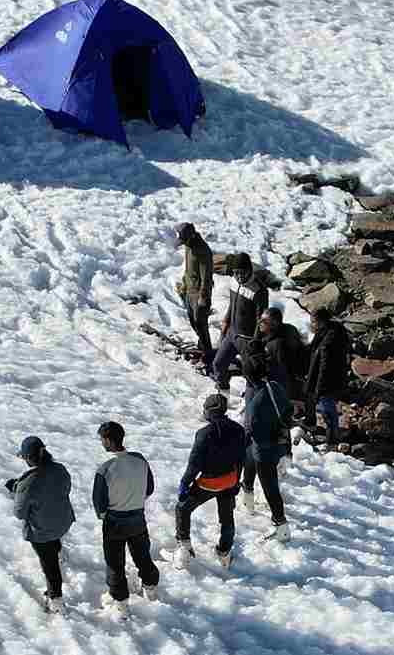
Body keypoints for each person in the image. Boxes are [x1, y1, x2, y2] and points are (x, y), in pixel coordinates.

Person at [173, 393, 247, 569]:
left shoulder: (204, 433)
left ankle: (184, 548)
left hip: (209, 483)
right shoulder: (238, 429)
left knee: (182, 508)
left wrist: (185, 484)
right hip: (230, 480)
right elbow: (241, 459)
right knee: (227, 519)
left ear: (209, 411)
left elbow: (194, 464)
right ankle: (224, 553)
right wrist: (236, 482)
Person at [92, 421, 159, 615]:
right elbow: (149, 489)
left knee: (115, 564)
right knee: (143, 556)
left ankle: (121, 603)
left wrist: (106, 515)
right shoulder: (140, 460)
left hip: (114, 522)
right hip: (138, 518)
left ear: (109, 441)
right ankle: (151, 590)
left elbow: (99, 503)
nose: (101, 443)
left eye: (102, 440)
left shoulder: (105, 469)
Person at [7, 436, 76, 613]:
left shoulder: (28, 482)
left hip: (41, 531)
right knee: (54, 544)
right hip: (62, 521)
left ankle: (56, 600)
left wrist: (19, 490)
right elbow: (63, 488)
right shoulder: (60, 469)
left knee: (49, 564)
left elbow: (19, 513)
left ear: (28, 458)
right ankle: (59, 551)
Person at [240, 355, 293, 540]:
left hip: (265, 451)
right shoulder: (274, 386)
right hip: (280, 442)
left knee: (270, 488)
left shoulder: (254, 403)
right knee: (250, 456)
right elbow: (288, 409)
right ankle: (247, 498)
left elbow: (250, 430)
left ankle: (281, 526)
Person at [210, 253, 269, 397]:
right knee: (218, 363)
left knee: (250, 374)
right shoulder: (233, 283)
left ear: (250, 270)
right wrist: (226, 320)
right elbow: (232, 304)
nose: (239, 276)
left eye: (242, 272)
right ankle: (223, 395)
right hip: (232, 334)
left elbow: (260, 320)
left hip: (247, 340)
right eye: (236, 273)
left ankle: (251, 401)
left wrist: (255, 341)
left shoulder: (258, 290)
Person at [301, 304, 352, 446]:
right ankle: (314, 427)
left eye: (313, 322)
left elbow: (325, 367)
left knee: (327, 410)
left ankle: (332, 441)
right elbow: (312, 349)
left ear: (321, 321)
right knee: (317, 403)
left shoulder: (328, 342)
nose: (311, 324)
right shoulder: (328, 331)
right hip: (327, 377)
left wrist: (319, 387)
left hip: (328, 381)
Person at [174, 222, 214, 362]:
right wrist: (184, 286)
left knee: (200, 323)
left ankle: (208, 353)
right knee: (193, 321)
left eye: (184, 240)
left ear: (190, 236)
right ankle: (202, 345)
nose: (183, 243)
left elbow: (206, 277)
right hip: (189, 291)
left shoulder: (202, 251)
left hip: (199, 294)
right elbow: (188, 269)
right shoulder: (189, 246)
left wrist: (203, 297)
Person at [259, 307, 309, 402]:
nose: (260, 322)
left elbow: (284, 370)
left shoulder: (277, 344)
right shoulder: (288, 329)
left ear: (274, 324)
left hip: (288, 385)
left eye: (264, 321)